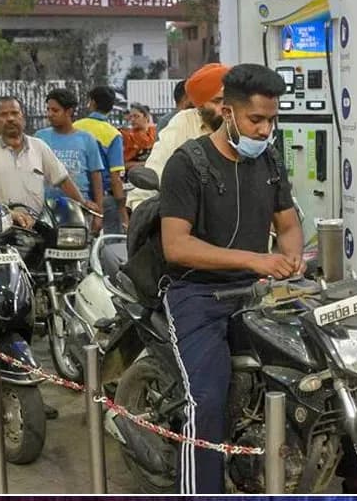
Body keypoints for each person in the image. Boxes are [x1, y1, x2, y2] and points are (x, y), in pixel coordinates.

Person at [158, 64, 302, 493]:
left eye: (271, 120)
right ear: (227, 111)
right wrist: (256, 259)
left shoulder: (270, 162)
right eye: (256, 120)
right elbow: (176, 246)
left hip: (255, 295)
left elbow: (290, 225)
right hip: (195, 294)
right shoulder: (187, 164)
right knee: (207, 402)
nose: (264, 130)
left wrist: (290, 257)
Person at [126, 63, 230, 212]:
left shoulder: (242, 124)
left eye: (228, 100)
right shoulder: (183, 123)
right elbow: (156, 170)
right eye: (216, 101)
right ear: (199, 105)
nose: (224, 108)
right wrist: (143, 213)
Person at [0, 96, 94, 218]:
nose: (10, 118)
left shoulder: (39, 146)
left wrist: (83, 205)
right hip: (2, 225)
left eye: (14, 113)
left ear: (22, 117)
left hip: (36, 226)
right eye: (3, 114)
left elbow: (63, 180)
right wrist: (5, 213)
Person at [35, 89, 105, 234]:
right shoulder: (40, 138)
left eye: (55, 110)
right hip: (46, 209)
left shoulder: (86, 139)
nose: (50, 114)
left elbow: (96, 177)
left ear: (69, 112)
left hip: (80, 209)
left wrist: (99, 213)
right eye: (48, 109)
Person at [74, 86, 128, 233]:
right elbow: (115, 178)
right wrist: (123, 213)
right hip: (104, 200)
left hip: (75, 195)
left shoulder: (75, 127)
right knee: (110, 246)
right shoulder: (113, 135)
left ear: (92, 103)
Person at [121, 103, 157, 170]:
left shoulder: (155, 132)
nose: (132, 120)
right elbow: (123, 164)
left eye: (136, 116)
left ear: (146, 117)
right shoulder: (128, 136)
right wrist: (144, 164)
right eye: (131, 117)